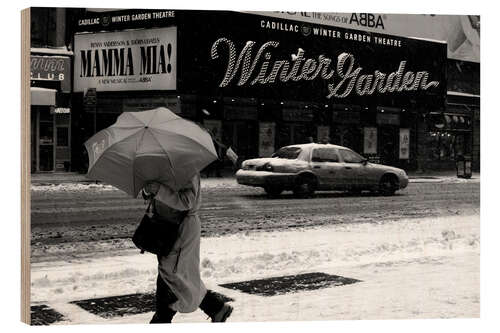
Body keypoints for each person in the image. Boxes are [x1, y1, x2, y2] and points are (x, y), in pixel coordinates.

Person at [142, 174, 233, 323]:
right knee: (177, 274)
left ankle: (160, 320)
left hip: (181, 229)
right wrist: (148, 191)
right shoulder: (160, 165)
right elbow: (156, 196)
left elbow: (187, 201)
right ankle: (216, 308)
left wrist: (159, 189)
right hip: (164, 228)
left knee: (171, 273)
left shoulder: (186, 168)